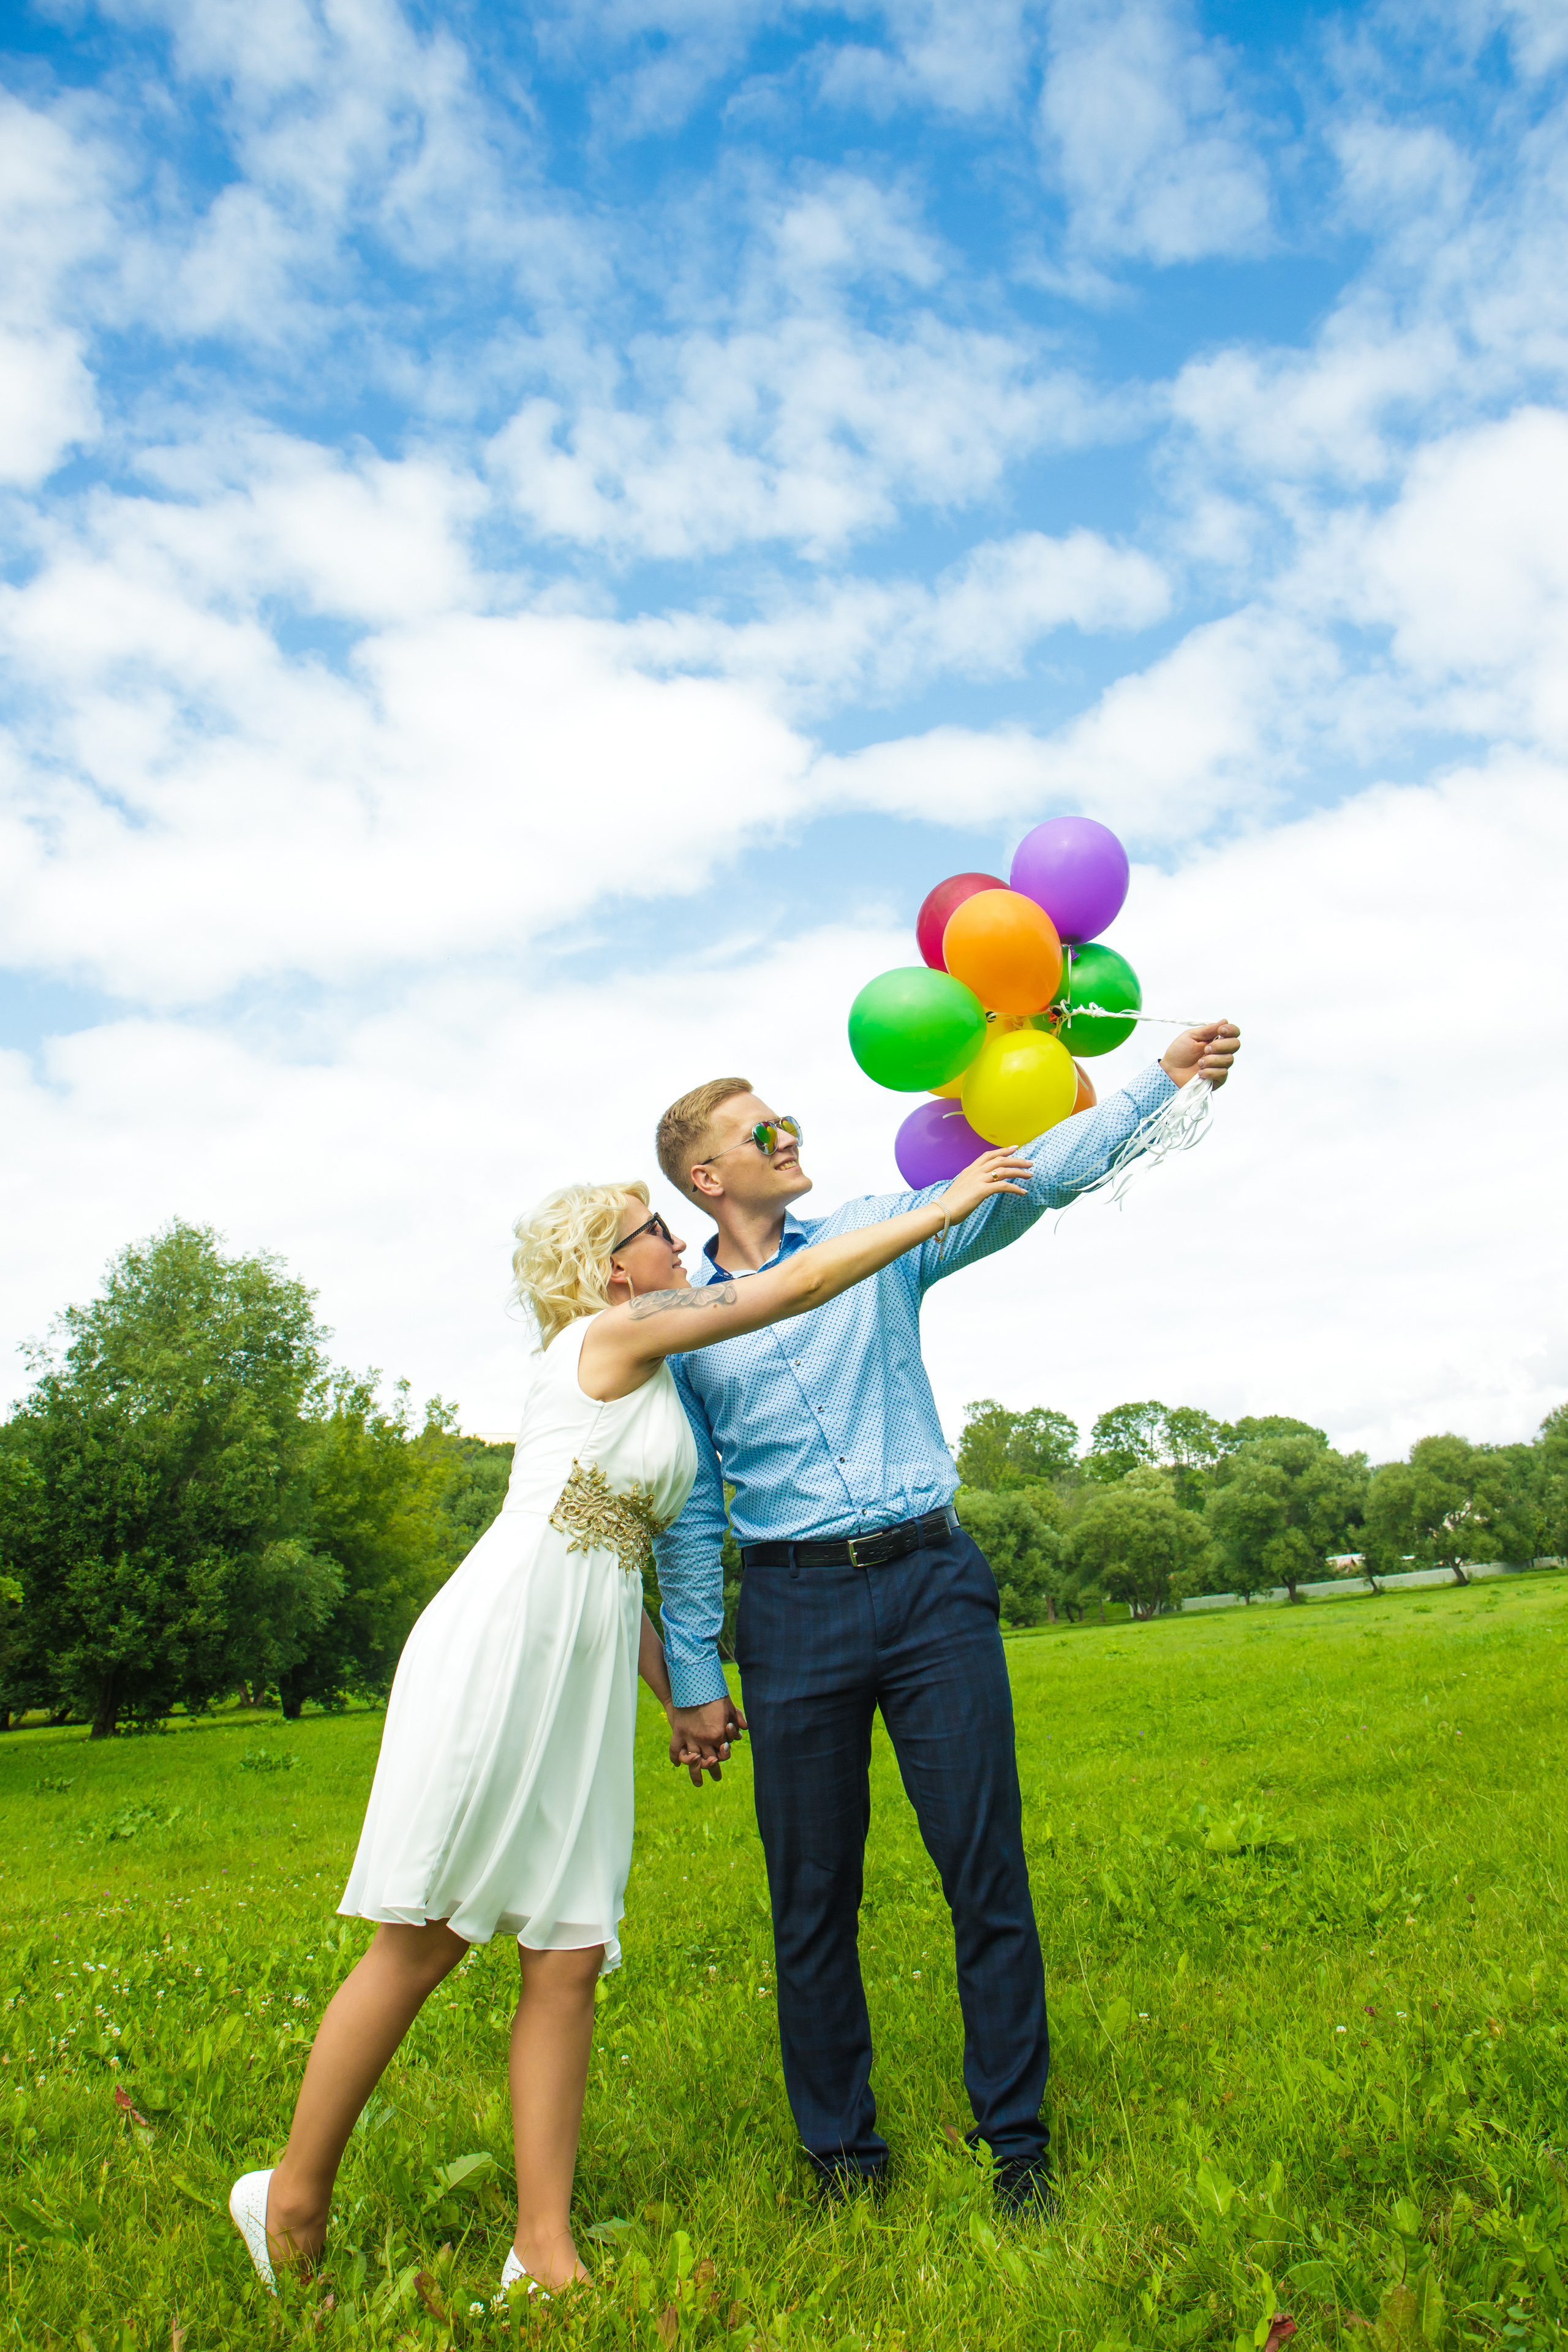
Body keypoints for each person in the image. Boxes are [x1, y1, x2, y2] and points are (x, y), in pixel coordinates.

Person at [227, 1146, 1036, 2301]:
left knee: (568, 1953)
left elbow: (612, 1552)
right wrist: (943, 1207)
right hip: (504, 1654)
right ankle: (291, 2200)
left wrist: (680, 1691)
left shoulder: (652, 1377)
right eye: (652, 1229)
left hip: (584, 1667)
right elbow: (788, 1288)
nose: (673, 1242)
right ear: (612, 1275)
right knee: (426, 1939)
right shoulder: (607, 1343)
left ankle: (541, 2249)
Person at [650, 1021, 1241, 2212]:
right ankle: (840, 2162)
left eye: (788, 1116)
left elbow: (1030, 1179)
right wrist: (696, 1669)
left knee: (985, 1873)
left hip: (930, 1590)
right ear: (707, 1178)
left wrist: (1153, 1085)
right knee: (810, 1898)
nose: (789, 1133)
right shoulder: (681, 1324)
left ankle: (1016, 2145)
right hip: (794, 1610)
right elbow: (689, 1508)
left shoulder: (880, 1223)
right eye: (760, 1129)